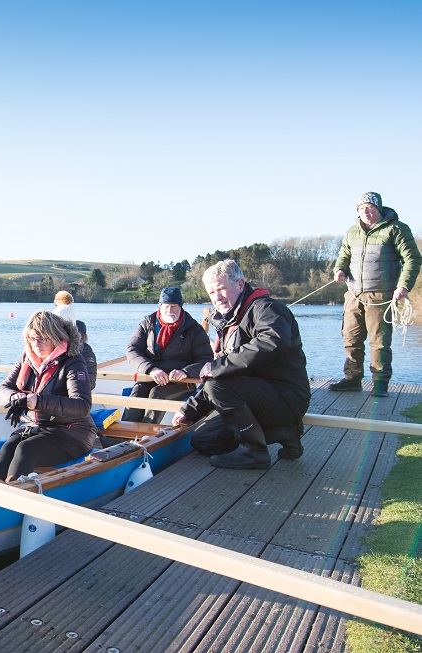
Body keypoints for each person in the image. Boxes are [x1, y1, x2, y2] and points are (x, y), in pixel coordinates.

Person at [172, 260, 310, 470]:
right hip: (257, 399)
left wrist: (217, 367)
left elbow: (273, 342)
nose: (217, 297)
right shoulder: (230, 321)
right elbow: (219, 371)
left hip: (285, 397)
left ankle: (255, 452)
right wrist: (189, 411)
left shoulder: (267, 308)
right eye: (211, 292)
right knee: (204, 441)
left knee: (215, 383)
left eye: (221, 289)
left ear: (240, 284)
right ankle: (285, 433)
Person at [0, 311, 100, 482]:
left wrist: (37, 400)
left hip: (72, 432)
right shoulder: (28, 357)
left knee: (26, 449)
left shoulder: (73, 361)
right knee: (8, 447)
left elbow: (82, 405)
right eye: (32, 339)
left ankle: (12, 494)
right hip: (35, 427)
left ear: (55, 338)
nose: (35, 344)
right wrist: (17, 398)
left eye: (42, 339)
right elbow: (2, 389)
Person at [330, 192, 421, 398]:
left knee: (379, 341)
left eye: (370, 208)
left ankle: (380, 384)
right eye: (362, 208)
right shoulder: (352, 232)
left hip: (382, 295)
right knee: (350, 337)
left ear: (379, 209)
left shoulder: (397, 229)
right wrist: (340, 269)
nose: (366, 212)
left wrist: (403, 286)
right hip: (353, 294)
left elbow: (413, 259)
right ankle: (352, 379)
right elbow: (343, 255)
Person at [122, 286, 213, 424]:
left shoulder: (194, 329)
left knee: (157, 394)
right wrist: (152, 369)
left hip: (182, 383)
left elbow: (206, 359)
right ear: (160, 306)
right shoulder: (147, 325)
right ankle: (122, 435)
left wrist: (185, 372)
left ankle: (146, 439)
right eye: (166, 306)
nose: (170, 311)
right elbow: (132, 350)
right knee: (138, 390)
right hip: (150, 376)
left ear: (181, 307)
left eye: (174, 306)